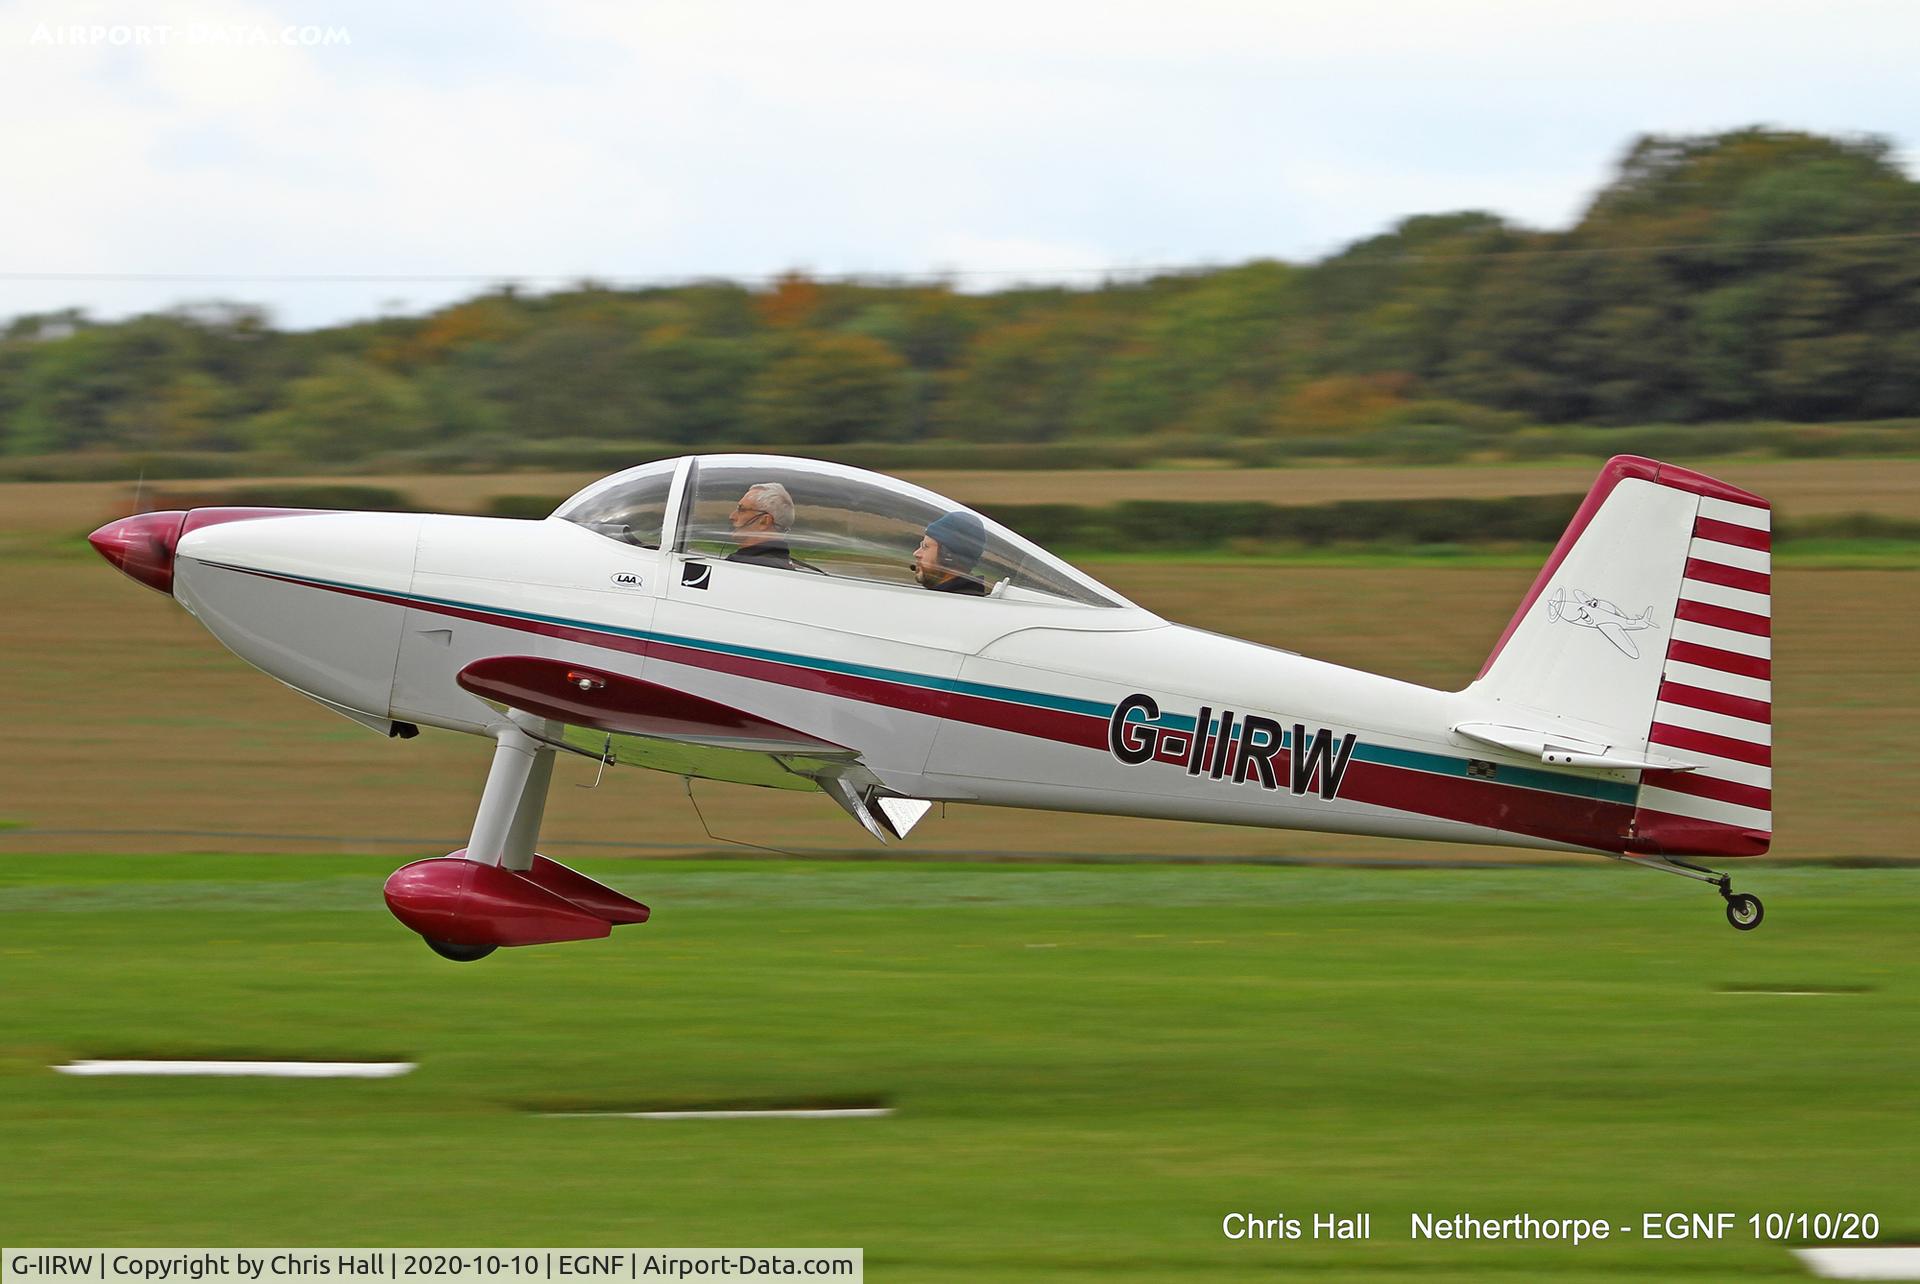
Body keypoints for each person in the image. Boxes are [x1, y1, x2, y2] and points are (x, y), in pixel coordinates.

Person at [725, 482, 803, 570]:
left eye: (741, 510)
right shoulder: (783, 565)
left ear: (764, 521)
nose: (732, 516)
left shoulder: (748, 566)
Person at [912, 510, 988, 595]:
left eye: (925, 546)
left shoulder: (955, 604)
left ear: (948, 556)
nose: (916, 553)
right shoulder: (943, 598)